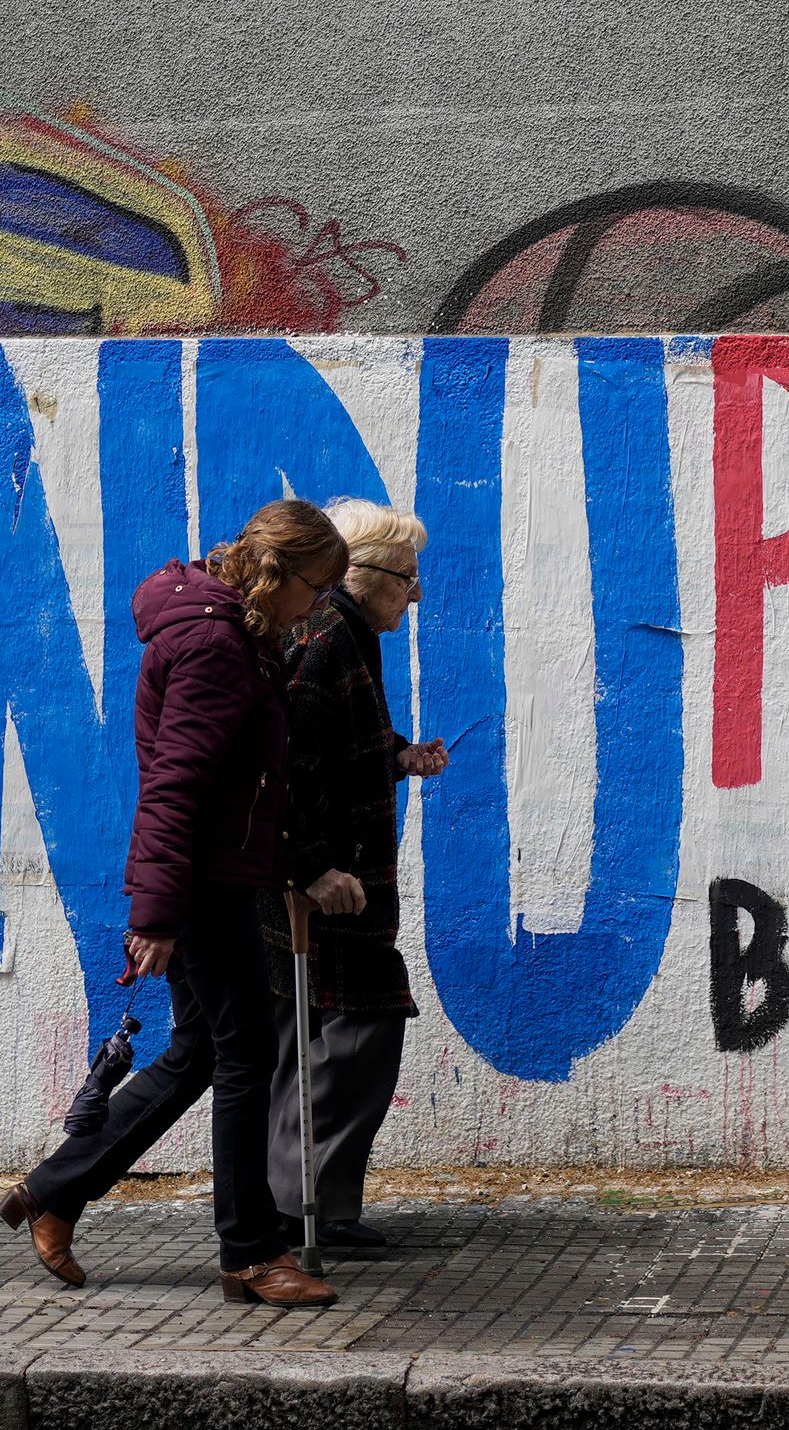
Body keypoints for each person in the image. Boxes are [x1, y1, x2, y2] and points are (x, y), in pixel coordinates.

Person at [0, 499, 351, 1307]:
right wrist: (155, 916)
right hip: (203, 885)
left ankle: (55, 1190)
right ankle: (250, 1256)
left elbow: (243, 781)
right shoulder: (217, 648)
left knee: (200, 1050)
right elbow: (175, 784)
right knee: (249, 1054)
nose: (317, 608)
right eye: (315, 589)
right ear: (278, 576)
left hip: (213, 875)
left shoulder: (235, 639)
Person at [264, 499, 450, 1250]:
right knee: (348, 1034)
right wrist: (313, 870)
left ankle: (308, 1203)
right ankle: (304, 1208)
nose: (416, 593)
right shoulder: (325, 637)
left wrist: (397, 754)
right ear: (363, 575)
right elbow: (289, 768)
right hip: (330, 892)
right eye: (406, 578)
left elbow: (336, 745)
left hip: (344, 887)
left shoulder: (349, 635)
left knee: (325, 1039)